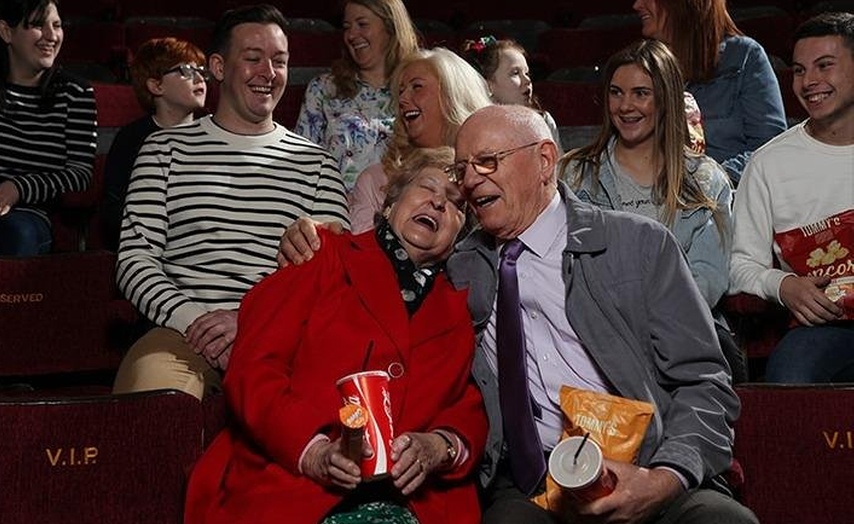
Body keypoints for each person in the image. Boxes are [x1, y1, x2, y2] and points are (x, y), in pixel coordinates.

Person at [279, 104, 757, 523]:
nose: (469, 181)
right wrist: (317, 242)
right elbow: (388, 265)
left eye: (488, 162)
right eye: (464, 169)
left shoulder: (640, 245)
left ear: (545, 160)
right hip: (534, 487)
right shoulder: (459, 265)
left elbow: (704, 383)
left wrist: (666, 477)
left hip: (649, 467)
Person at [184, 147, 488, 524]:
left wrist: (440, 445)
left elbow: (467, 403)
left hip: (415, 502)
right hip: (292, 485)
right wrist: (311, 451)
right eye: (427, 186)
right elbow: (254, 368)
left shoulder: (460, 309)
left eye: (457, 205)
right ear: (390, 204)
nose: (439, 202)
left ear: (461, 233)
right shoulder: (319, 254)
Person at [112, 4, 350, 401]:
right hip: (180, 335)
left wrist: (251, 323)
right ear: (219, 68)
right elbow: (135, 262)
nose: (268, 74)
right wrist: (198, 323)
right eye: (253, 59)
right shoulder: (164, 149)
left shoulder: (318, 163)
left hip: (285, 339)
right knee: (153, 414)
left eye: (279, 61)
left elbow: (336, 276)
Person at [560, 39, 746, 383]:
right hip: (595, 333)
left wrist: (646, 324)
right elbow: (564, 266)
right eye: (616, 93)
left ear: (666, 99)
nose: (625, 106)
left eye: (640, 93)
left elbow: (707, 278)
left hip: (683, 331)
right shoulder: (574, 174)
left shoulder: (707, 180)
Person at [729, 11, 854, 384]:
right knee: (790, 374)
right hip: (825, 326)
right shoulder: (769, 163)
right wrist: (783, 286)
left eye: (824, 66)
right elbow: (739, 266)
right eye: (799, 70)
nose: (809, 81)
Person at [0, 0, 96, 256]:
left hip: (27, 216)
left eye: (56, 25)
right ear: (6, 31)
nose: (51, 36)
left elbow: (80, 175)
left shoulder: (75, 92)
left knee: (16, 234)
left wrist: (18, 188)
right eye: (37, 25)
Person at [633, 0, 786, 184]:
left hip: (730, 201)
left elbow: (771, 148)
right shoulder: (643, 67)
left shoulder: (743, 56)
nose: (637, 5)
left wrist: (708, 182)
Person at [348, 47, 491, 233]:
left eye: (417, 87)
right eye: (401, 92)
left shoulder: (488, 172)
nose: (403, 99)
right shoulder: (376, 181)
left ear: (452, 96)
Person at [294, 0, 419, 191]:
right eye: (346, 27)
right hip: (336, 212)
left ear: (390, 27)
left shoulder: (416, 88)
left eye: (362, 24)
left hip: (400, 211)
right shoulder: (324, 89)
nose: (351, 35)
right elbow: (302, 165)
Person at [101, 36, 208, 252]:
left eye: (201, 71)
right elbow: (114, 211)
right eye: (186, 70)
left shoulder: (215, 132)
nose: (199, 78)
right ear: (156, 85)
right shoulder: (131, 140)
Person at [460, 35, 559, 145]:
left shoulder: (543, 121)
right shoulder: (469, 129)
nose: (527, 80)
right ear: (487, 86)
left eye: (527, 73)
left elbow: (558, 160)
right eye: (515, 73)